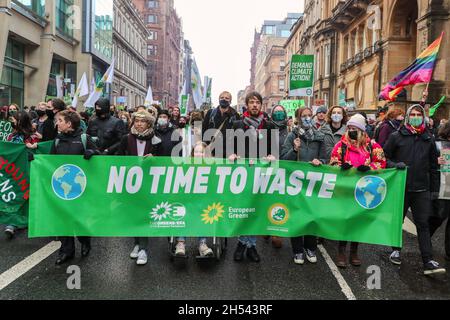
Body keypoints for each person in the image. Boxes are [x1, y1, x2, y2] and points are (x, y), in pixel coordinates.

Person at [383, 104, 446, 275]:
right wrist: (396, 165)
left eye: (419, 114)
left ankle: (428, 260)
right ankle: (395, 250)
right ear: (408, 116)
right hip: (401, 188)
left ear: (423, 117)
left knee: (423, 224)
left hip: (422, 189)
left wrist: (434, 189)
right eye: (414, 114)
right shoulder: (397, 136)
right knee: (398, 221)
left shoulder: (428, 139)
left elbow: (434, 167)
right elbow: (383, 158)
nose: (416, 117)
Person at [330, 114, 386, 268]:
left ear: (362, 130)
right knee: (345, 219)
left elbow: (381, 163)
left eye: (355, 128)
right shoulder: (340, 145)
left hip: (364, 190)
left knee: (359, 220)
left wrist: (370, 168)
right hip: (345, 190)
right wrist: (341, 167)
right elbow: (333, 161)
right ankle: (341, 250)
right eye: (349, 128)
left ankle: (354, 251)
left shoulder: (372, 146)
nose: (351, 131)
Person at [229, 91, 276, 263]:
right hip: (243, 173)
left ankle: (249, 245)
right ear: (247, 105)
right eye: (252, 102)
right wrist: (232, 154)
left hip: (261, 174)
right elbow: (230, 147)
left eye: (257, 102)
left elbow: (274, 150)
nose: (255, 105)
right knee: (244, 207)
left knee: (256, 208)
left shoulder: (269, 126)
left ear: (261, 105)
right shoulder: (237, 124)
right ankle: (244, 244)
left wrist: (272, 156)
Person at [281, 107, 329, 265]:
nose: (308, 118)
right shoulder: (291, 136)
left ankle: (310, 248)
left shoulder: (319, 136)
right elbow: (284, 159)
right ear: (298, 118)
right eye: (304, 116)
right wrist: (295, 149)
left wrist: (320, 162)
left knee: (311, 216)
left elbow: (325, 158)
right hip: (295, 183)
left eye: (310, 115)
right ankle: (297, 250)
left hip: (313, 183)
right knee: (296, 216)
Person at [51, 111, 99, 265]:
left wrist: (93, 153)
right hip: (63, 188)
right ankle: (66, 251)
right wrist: (36, 160)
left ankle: (85, 241)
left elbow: (100, 158)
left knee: (79, 219)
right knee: (63, 219)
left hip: (81, 189)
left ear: (69, 123)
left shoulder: (84, 139)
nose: (57, 123)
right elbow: (50, 161)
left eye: (60, 120)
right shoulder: (57, 140)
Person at [118, 110, 162, 265]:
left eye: (142, 121)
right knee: (133, 214)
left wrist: (155, 158)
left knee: (144, 214)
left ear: (149, 123)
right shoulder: (126, 138)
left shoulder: (156, 140)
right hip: (131, 182)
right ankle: (136, 244)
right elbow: (118, 158)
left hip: (149, 183)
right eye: (136, 121)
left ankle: (143, 249)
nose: (138, 124)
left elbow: (165, 161)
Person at [173, 142, 214, 257]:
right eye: (196, 151)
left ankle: (202, 244)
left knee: (204, 212)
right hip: (188, 199)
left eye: (201, 152)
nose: (198, 154)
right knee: (184, 210)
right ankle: (180, 243)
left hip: (204, 200)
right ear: (192, 153)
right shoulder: (186, 165)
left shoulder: (212, 166)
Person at [3, 111, 40, 239]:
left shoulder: (32, 136)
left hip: (27, 170)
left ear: (21, 121)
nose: (12, 121)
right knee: (14, 194)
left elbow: (38, 150)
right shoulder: (10, 136)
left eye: (14, 119)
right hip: (12, 171)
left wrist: (33, 147)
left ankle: (24, 220)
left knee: (25, 195)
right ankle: (12, 223)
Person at [265, 104, 290, 249]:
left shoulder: (291, 129)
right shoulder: (267, 128)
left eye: (281, 112)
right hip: (270, 169)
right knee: (269, 199)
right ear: (272, 114)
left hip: (286, 170)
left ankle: (277, 232)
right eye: (276, 112)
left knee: (281, 201)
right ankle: (267, 227)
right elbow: (261, 146)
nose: (279, 114)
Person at [430, 121, 450, 261]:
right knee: (439, 216)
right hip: (444, 186)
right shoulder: (438, 144)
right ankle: (424, 239)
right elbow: (427, 162)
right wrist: (435, 161)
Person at [202, 91, 240, 158]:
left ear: (230, 101)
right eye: (222, 97)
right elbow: (204, 130)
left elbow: (238, 135)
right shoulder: (210, 113)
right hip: (212, 151)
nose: (224, 99)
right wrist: (204, 146)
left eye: (227, 98)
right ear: (219, 100)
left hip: (229, 153)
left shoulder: (235, 115)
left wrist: (235, 153)